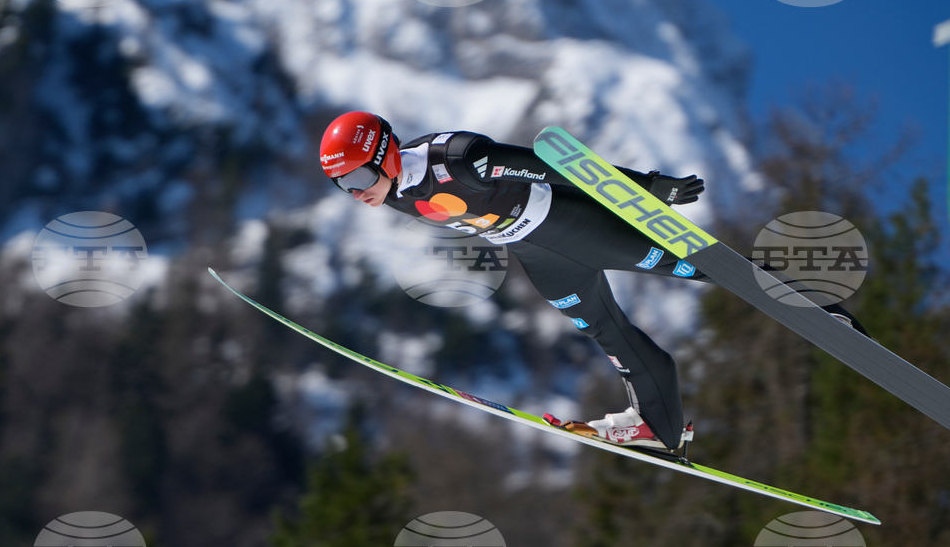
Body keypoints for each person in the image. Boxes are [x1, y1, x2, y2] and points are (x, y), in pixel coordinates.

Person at [318, 111, 864, 451]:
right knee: (607, 331)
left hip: (577, 225)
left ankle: (821, 313)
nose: (357, 191)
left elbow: (551, 167)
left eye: (360, 176)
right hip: (538, 254)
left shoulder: (458, 159)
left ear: (386, 150)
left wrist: (645, 187)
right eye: (342, 185)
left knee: (709, 268)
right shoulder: (389, 191)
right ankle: (658, 426)